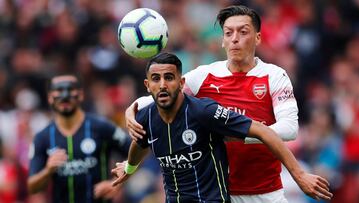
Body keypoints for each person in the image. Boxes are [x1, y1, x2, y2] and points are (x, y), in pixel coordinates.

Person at [126, 5, 302, 203]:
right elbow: (160, 94)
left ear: (258, 38)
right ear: (223, 40)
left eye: (243, 32)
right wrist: (130, 112)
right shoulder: (204, 75)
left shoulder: (274, 75)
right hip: (218, 193)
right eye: (228, 33)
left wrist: (232, 133)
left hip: (266, 192)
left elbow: (289, 129)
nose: (235, 38)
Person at [112, 53, 332, 203]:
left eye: (169, 78)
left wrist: (299, 174)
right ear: (147, 85)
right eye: (156, 79)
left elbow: (264, 131)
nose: (162, 84)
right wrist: (129, 169)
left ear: (181, 82)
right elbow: (140, 142)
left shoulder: (204, 112)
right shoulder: (146, 117)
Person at [27, 73, 130, 203]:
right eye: (59, 90)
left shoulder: (102, 127)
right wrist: (48, 171)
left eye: (70, 90)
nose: (65, 96)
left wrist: (117, 183)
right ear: (49, 98)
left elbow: (137, 151)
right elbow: (32, 187)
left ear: (81, 95)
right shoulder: (42, 138)